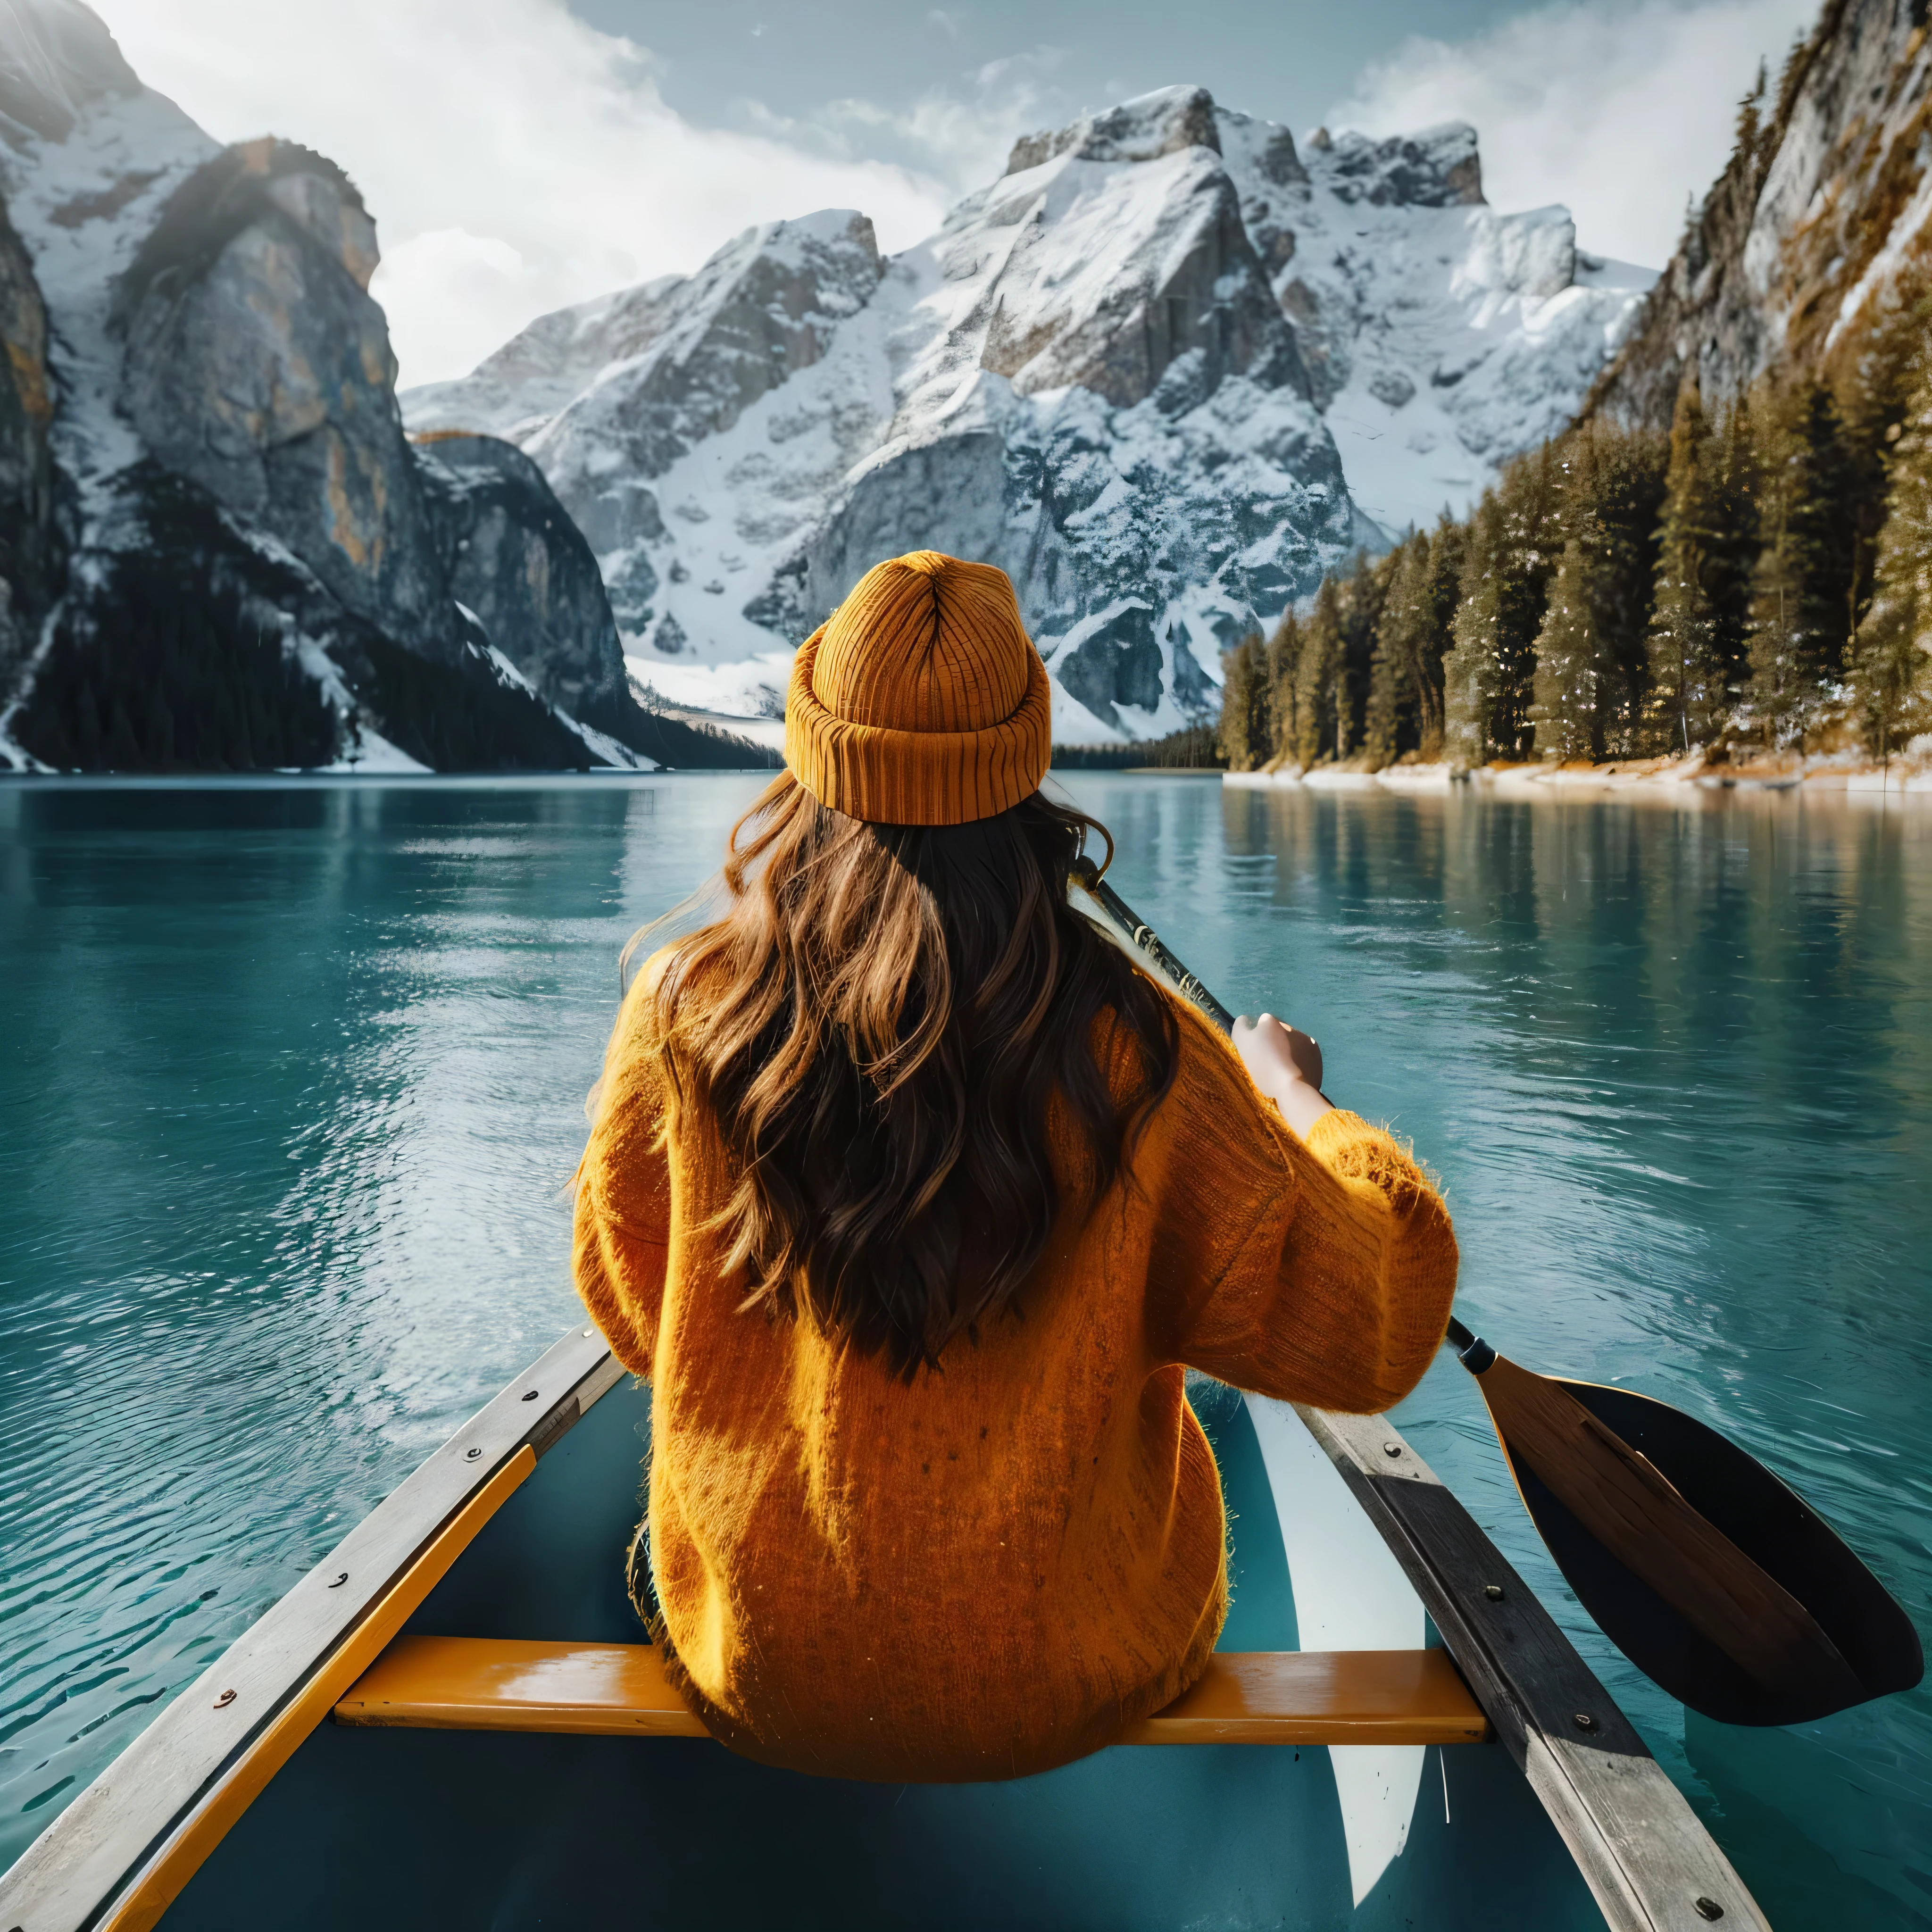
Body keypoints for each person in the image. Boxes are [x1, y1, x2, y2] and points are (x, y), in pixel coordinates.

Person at [572, 550, 1458, 1784]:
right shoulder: (1146, 1054)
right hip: (1068, 1679)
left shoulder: (687, 1013)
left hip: (756, 1664)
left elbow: (631, 1316)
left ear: (814, 750)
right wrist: (1300, 1103)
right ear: (1025, 759)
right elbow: (1376, 1331)